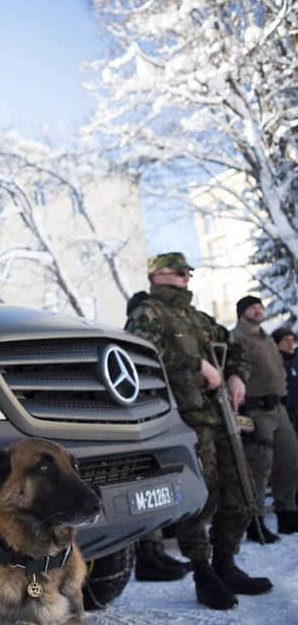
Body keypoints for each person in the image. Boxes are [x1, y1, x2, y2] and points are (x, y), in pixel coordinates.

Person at [125, 252, 271, 610]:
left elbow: (237, 350)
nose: (187, 277)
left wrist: (237, 375)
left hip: (219, 416)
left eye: (188, 271)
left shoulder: (198, 318)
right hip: (182, 421)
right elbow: (137, 357)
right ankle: (203, 572)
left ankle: (226, 563)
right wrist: (196, 364)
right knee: (199, 498)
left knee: (238, 491)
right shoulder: (147, 314)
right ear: (158, 276)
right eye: (180, 271)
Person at [124, 292, 191, 582]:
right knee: (142, 484)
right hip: (138, 422)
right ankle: (146, 557)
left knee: (154, 485)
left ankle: (154, 552)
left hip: (153, 418)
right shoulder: (131, 347)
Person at [233, 296, 298, 539]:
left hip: (279, 408)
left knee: (290, 460)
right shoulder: (236, 338)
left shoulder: (267, 338)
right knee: (260, 466)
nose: (259, 311)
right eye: (253, 307)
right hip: (255, 409)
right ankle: (255, 521)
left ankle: (287, 513)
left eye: (261, 307)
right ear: (242, 312)